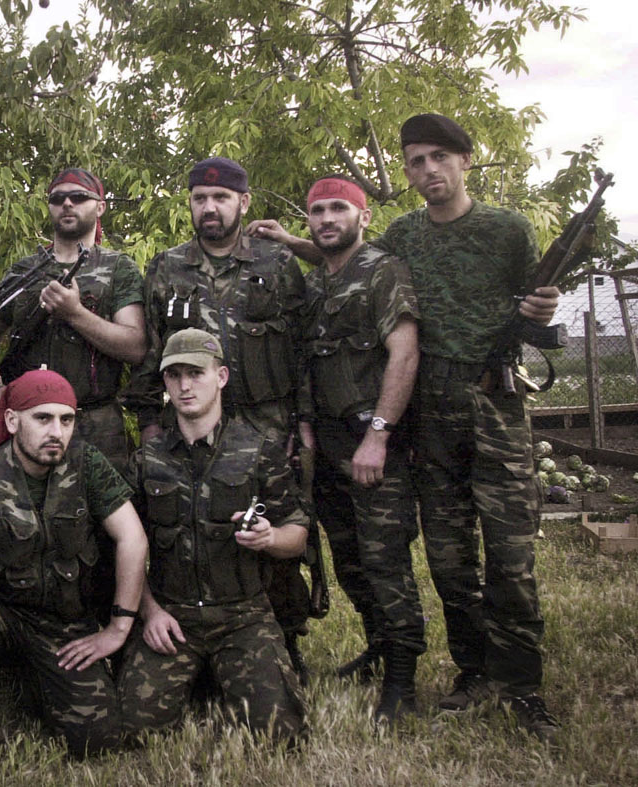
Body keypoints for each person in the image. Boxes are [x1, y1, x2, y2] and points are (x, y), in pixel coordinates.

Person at [250, 114, 561, 741]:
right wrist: (293, 240)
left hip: (492, 404)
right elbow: (346, 257)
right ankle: (473, 672)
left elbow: (533, 308)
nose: (428, 172)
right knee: (449, 560)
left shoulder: (506, 230)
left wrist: (542, 308)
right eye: (416, 161)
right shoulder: (404, 234)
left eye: (439, 158)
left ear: (467, 160)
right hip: (431, 419)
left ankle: (521, 684)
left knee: (510, 554)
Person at [123, 156, 315, 680]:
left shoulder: (276, 264)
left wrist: (305, 425)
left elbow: (303, 349)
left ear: (243, 202)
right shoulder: (167, 267)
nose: (210, 208)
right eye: (200, 199)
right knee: (195, 532)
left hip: (269, 424)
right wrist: (153, 428)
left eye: (221, 198)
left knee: (273, 537)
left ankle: (284, 638)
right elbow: (152, 355)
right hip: (193, 426)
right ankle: (195, 635)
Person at [0, 370, 147, 785]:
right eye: (42, 418)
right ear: (11, 421)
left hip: (64, 629)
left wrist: (117, 627)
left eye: (67, 419)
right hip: (0, 618)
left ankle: (26, 679)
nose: (56, 431)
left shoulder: (87, 464)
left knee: (98, 742)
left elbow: (132, 536)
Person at [118, 328, 306, 740]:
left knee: (279, 735)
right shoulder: (148, 459)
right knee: (133, 730)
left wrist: (270, 538)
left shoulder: (258, 449)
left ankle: (221, 676)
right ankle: (201, 677)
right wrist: (149, 612)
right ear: (165, 381)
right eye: (175, 375)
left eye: (196, 373)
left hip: (242, 616)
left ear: (220, 376)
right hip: (173, 616)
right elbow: (122, 547)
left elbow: (298, 533)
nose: (185, 386)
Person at [297, 175, 424, 722]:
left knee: (385, 561)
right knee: (350, 559)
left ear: (363, 217)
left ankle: (402, 680)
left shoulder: (383, 271)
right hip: (327, 446)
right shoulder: (315, 284)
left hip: (372, 445)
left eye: (338, 210)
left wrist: (378, 435)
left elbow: (404, 353)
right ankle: (377, 647)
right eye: (317, 211)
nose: (327, 219)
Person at [0, 167, 146, 472]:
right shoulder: (23, 270)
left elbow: (135, 346)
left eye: (79, 197)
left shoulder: (119, 269)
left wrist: (75, 313)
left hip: (96, 426)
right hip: (29, 425)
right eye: (58, 198)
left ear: (100, 207)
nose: (67, 204)